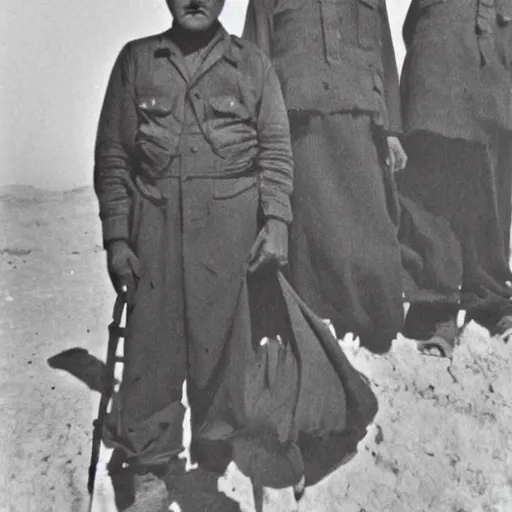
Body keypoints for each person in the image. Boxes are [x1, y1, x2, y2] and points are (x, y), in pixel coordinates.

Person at [93, 0, 293, 507]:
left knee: (226, 353)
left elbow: (274, 148)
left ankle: (214, 457)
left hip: (231, 235)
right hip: (154, 230)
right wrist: (117, 238)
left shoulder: (252, 65)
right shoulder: (136, 62)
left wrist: (277, 220)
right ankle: (152, 467)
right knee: (152, 349)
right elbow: (114, 156)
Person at [242, 0, 408, 354]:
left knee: (372, 234)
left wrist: (392, 130)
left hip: (362, 126)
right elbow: (255, 58)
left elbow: (387, 55)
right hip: (302, 130)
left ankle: (373, 326)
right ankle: (318, 326)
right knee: (312, 236)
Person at [396, 0, 512, 355]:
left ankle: (491, 301)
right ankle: (435, 306)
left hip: (500, 38)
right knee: (435, 169)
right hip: (441, 33)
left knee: (493, 172)